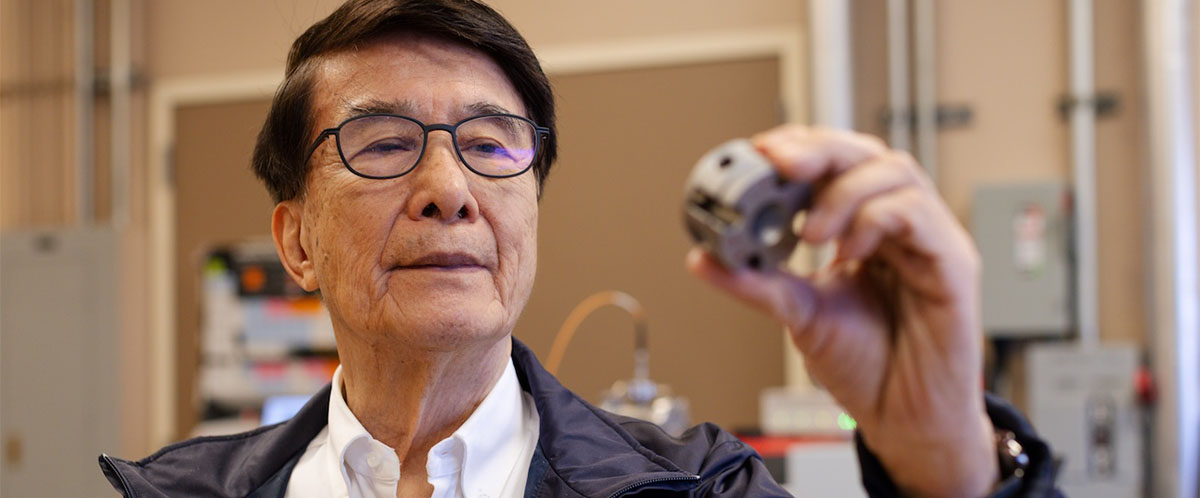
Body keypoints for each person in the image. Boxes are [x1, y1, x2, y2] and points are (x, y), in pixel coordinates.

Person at [98, 0, 1060, 496]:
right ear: (296, 239)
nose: (449, 190)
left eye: (490, 145)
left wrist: (949, 469)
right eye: (384, 143)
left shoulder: (698, 492)